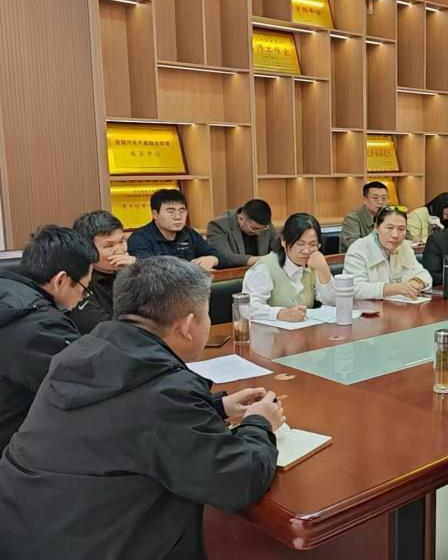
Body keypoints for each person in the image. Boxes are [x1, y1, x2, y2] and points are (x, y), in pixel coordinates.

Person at [0, 257, 283, 559]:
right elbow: (237, 480)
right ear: (187, 326)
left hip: (24, 530)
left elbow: (125, 422)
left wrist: (217, 407)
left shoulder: (83, 351)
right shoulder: (162, 389)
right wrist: (259, 423)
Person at [0, 225, 96, 451]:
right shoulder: (39, 327)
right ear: (60, 280)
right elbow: (86, 385)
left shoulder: (8, 290)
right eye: (84, 289)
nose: (83, 298)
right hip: (13, 450)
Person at [242, 213, 336, 321]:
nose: (306, 251)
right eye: (300, 244)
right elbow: (248, 308)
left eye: (313, 244)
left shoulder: (314, 264)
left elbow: (333, 303)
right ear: (283, 240)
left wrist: (324, 269)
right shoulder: (265, 268)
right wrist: (280, 314)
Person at [344, 206, 433, 300]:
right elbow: (355, 289)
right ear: (376, 227)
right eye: (390, 228)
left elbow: (424, 275)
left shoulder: (404, 247)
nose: (395, 235)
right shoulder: (359, 249)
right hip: (367, 307)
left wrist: (415, 283)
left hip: (398, 306)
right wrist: (397, 288)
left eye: (401, 229)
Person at [69, 210, 136, 334]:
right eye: (109, 246)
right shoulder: (81, 282)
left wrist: (138, 271)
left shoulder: (132, 268)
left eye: (122, 241)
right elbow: (104, 329)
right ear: (87, 249)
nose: (120, 251)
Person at [127, 189, 222, 271]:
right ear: (155, 214)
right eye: (171, 211)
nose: (178, 217)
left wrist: (213, 259)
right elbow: (150, 269)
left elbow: (220, 256)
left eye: (182, 211)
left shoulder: (189, 233)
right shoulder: (139, 239)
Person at [206, 199, 280, 268]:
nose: (258, 233)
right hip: (234, 274)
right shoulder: (218, 226)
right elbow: (223, 256)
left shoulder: (264, 225)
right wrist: (261, 260)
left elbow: (279, 247)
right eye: (254, 228)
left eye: (262, 229)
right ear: (241, 219)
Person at [339, 181, 389, 253]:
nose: (380, 202)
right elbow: (354, 245)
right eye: (375, 198)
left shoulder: (389, 216)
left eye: (384, 198)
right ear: (365, 200)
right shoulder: (352, 218)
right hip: (357, 258)